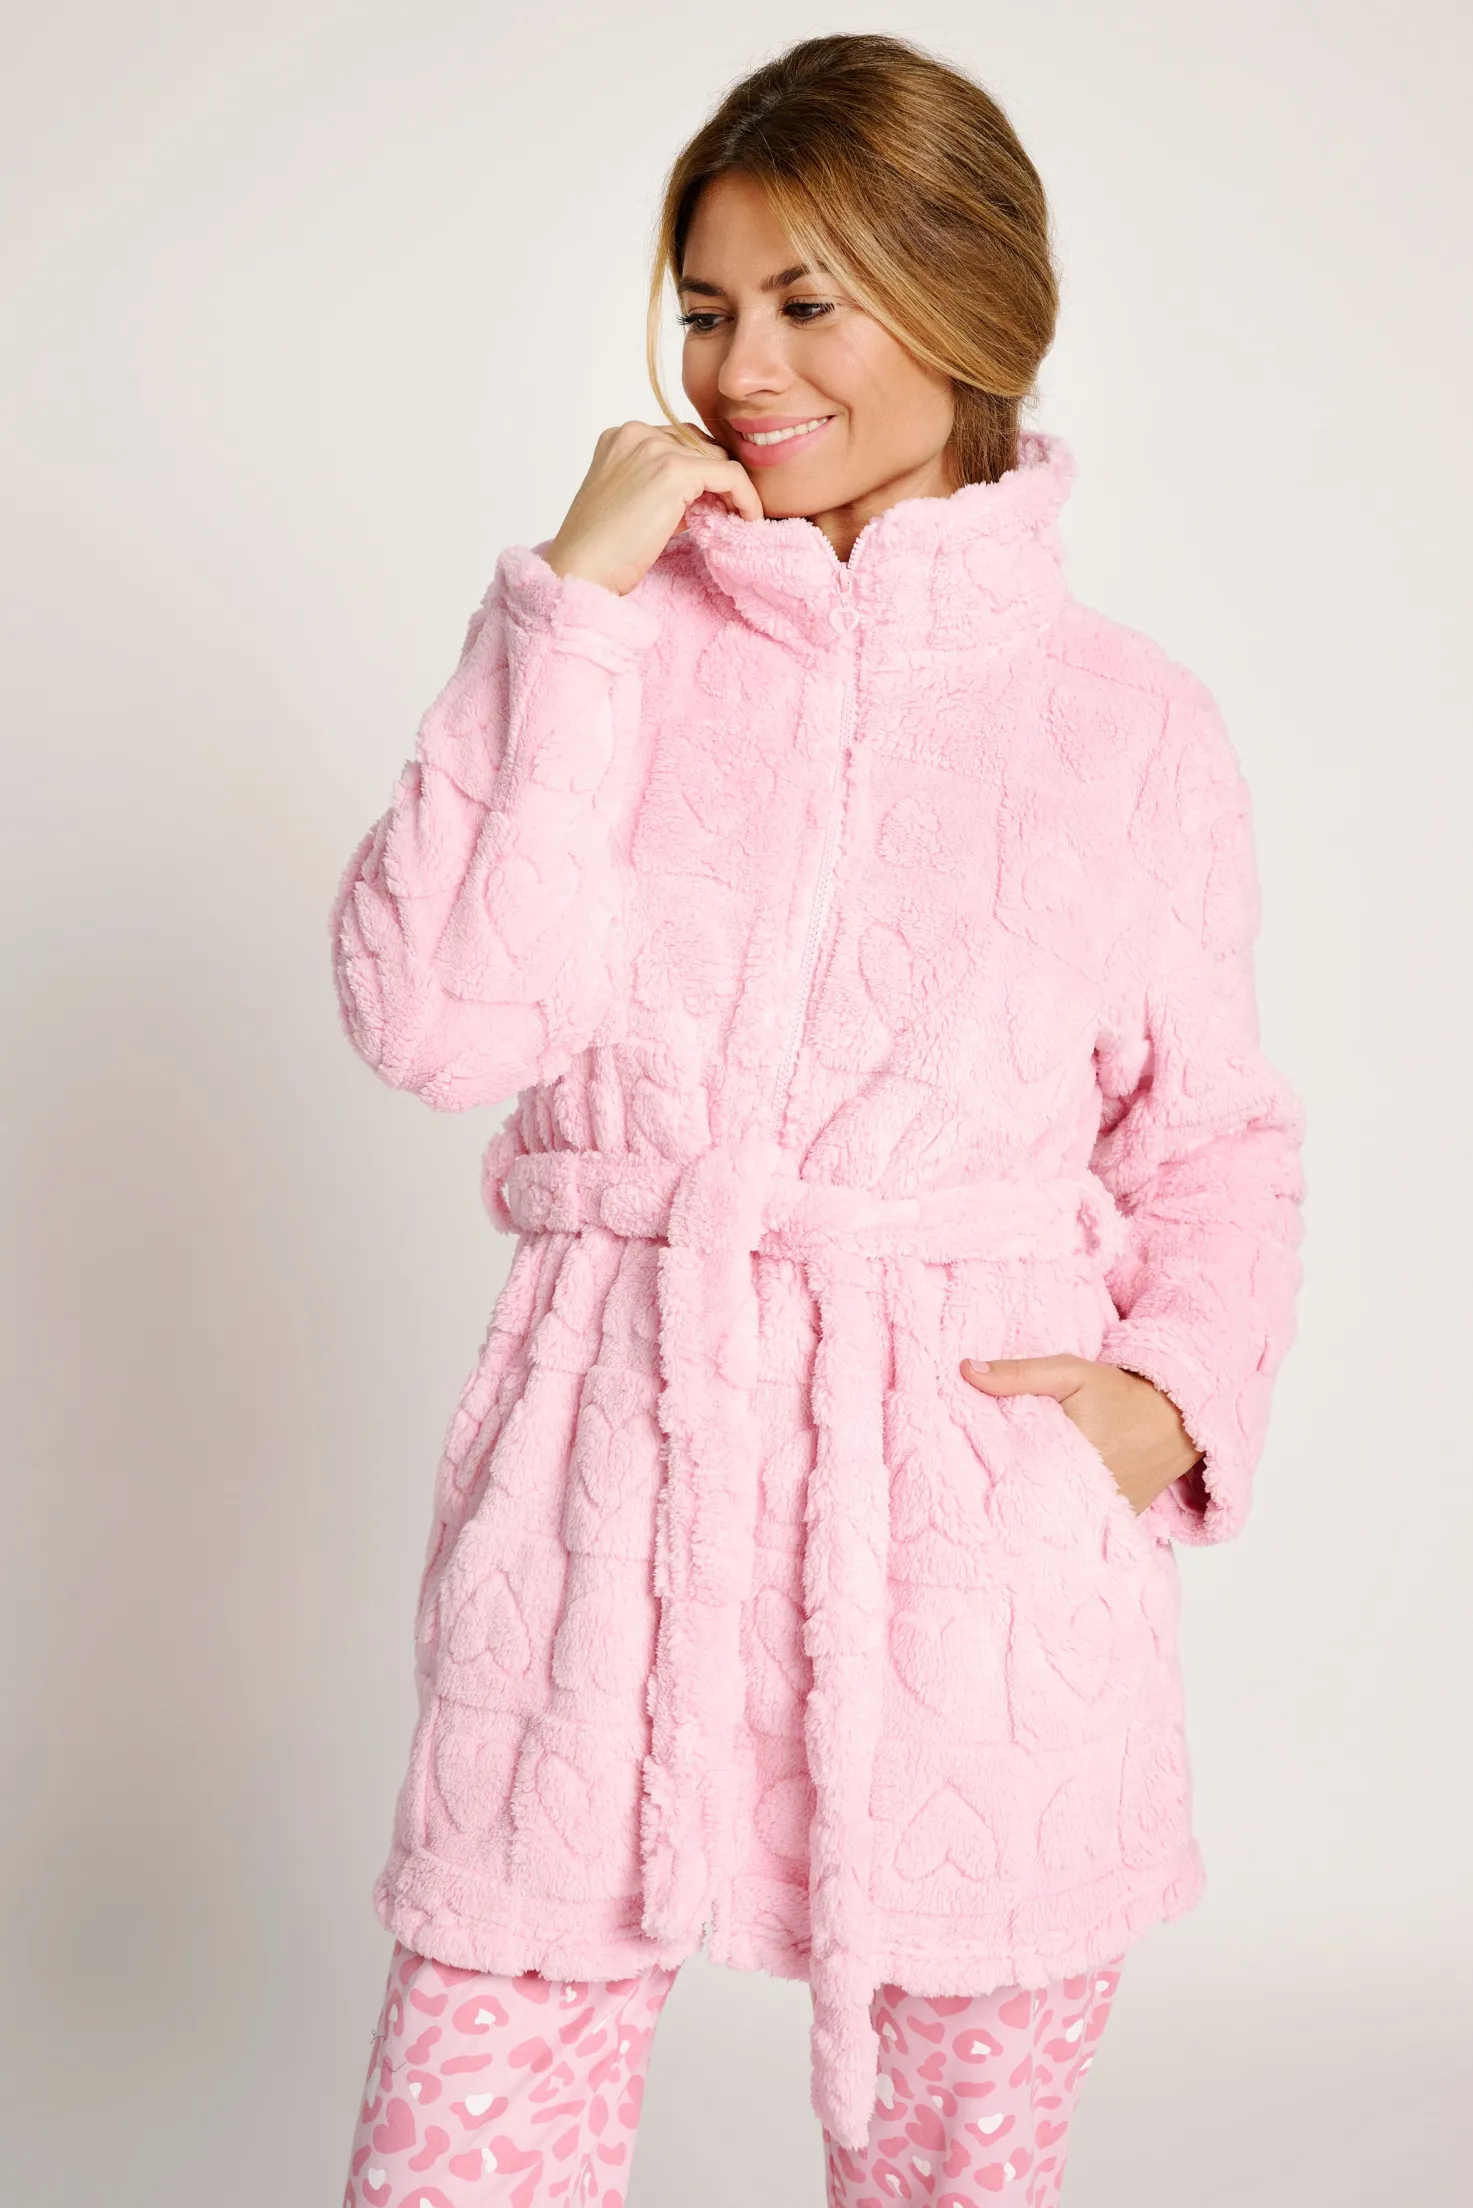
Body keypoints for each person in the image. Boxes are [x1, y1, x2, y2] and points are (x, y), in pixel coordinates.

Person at [331, 31, 1306, 2208]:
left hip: (966, 1512)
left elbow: (1217, 1144)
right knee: (464, 2136)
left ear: (962, 307)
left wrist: (1160, 1401)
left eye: (804, 303)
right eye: (703, 307)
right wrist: (564, 610)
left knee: (959, 2168)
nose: (738, 369)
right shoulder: (604, 642)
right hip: (614, 1471)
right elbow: (433, 1021)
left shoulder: (1129, 725)